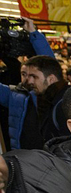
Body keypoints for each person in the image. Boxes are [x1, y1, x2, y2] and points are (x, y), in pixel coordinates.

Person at [0, 18, 54, 150]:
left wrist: (33, 33)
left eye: (33, 75)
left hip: (49, 160)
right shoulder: (15, 97)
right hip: (22, 161)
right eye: (24, 74)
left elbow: (50, 64)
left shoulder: (51, 95)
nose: (29, 79)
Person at [23, 55, 71, 141]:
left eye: (34, 77)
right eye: (28, 76)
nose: (30, 81)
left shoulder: (64, 105)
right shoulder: (48, 100)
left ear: (51, 79)